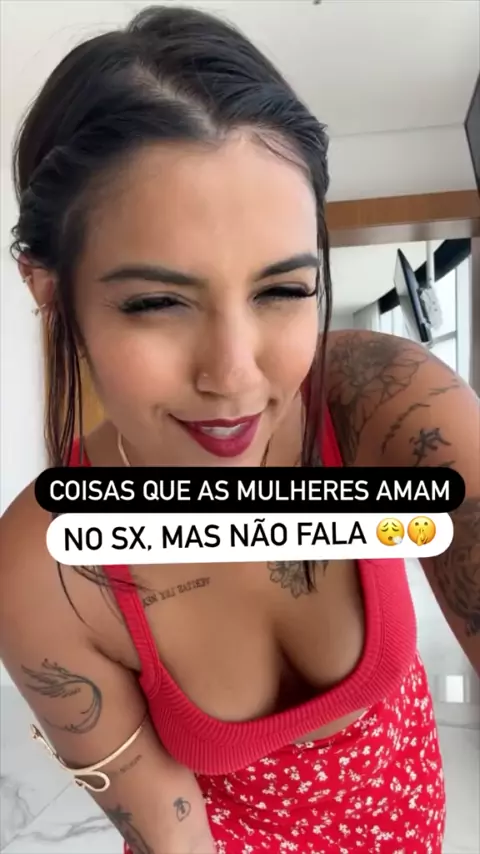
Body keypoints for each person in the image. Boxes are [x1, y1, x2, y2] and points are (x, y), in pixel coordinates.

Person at [1, 5, 479, 854]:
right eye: (157, 301)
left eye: (283, 291)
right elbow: (169, 835)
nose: (233, 376)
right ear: (49, 290)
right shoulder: (48, 571)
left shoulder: (379, 403)